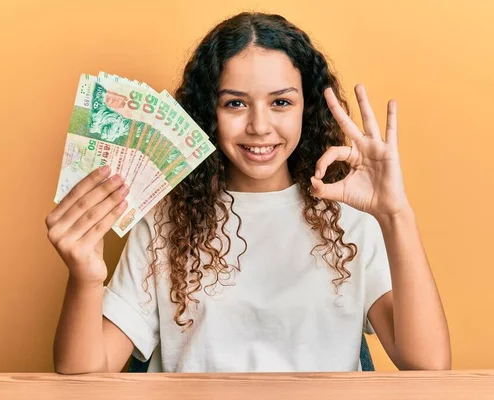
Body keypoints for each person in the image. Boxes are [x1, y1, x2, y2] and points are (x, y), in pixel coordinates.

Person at [46, 12, 451, 374]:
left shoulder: (347, 216)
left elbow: (427, 363)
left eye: (281, 102)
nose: (259, 126)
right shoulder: (167, 220)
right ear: (208, 113)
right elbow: (85, 370)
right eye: (235, 103)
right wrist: (84, 279)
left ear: (306, 109)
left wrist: (395, 214)